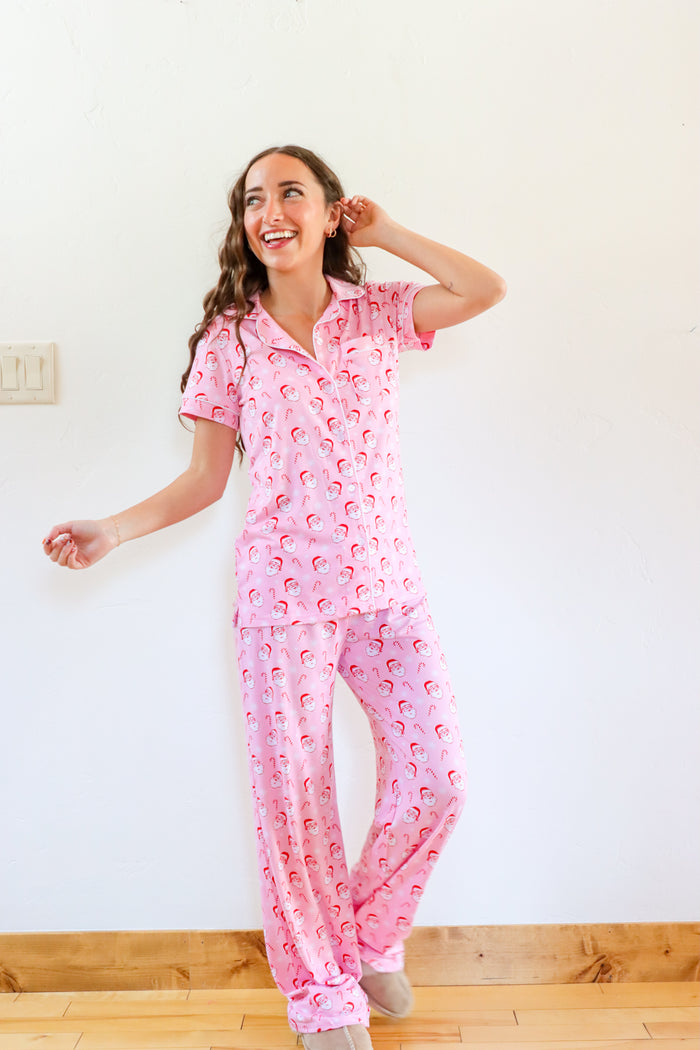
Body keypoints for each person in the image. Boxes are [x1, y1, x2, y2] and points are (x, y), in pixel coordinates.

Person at [43, 144, 506, 1050]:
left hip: (388, 591)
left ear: (331, 214)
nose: (269, 211)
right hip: (282, 601)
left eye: (291, 192)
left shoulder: (378, 312)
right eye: (254, 198)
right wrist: (112, 529)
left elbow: (484, 289)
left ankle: (369, 938)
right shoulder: (231, 340)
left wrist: (389, 232)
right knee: (295, 803)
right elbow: (203, 481)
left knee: (440, 781)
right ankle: (322, 996)